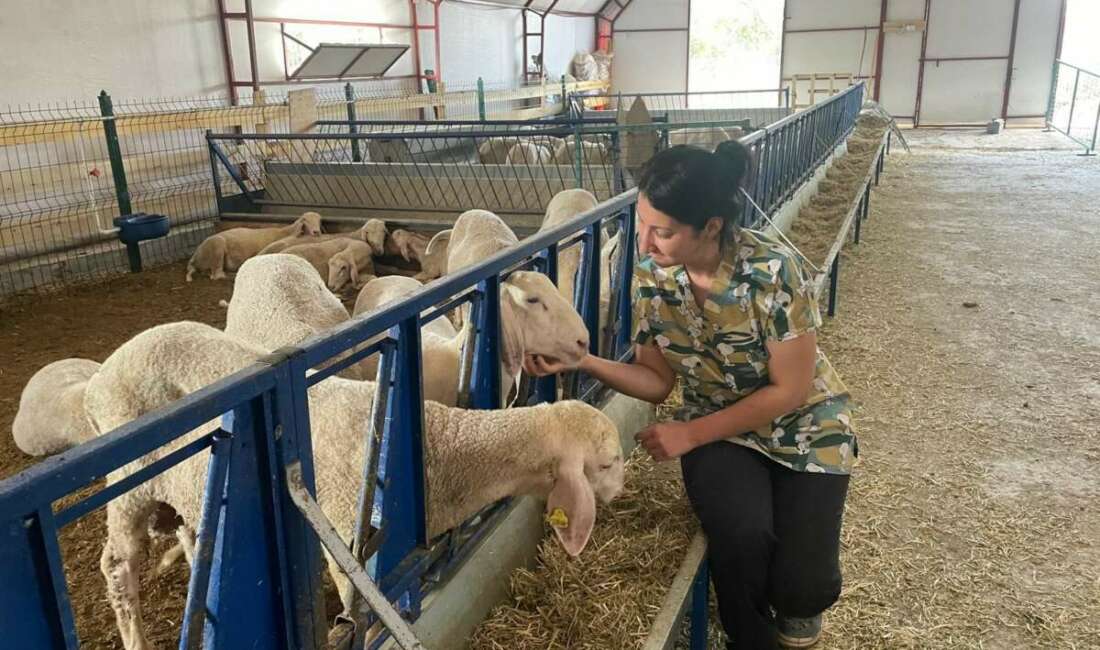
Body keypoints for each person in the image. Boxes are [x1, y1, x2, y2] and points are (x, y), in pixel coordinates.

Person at [525, 141, 857, 649]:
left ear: (711, 227)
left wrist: (688, 433)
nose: (645, 242)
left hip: (805, 425)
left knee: (803, 585)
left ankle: (797, 602)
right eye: (641, 224)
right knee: (742, 534)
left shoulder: (772, 273)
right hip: (721, 430)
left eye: (662, 231)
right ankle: (748, 638)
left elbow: (790, 390)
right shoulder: (649, 277)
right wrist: (583, 362)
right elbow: (657, 380)